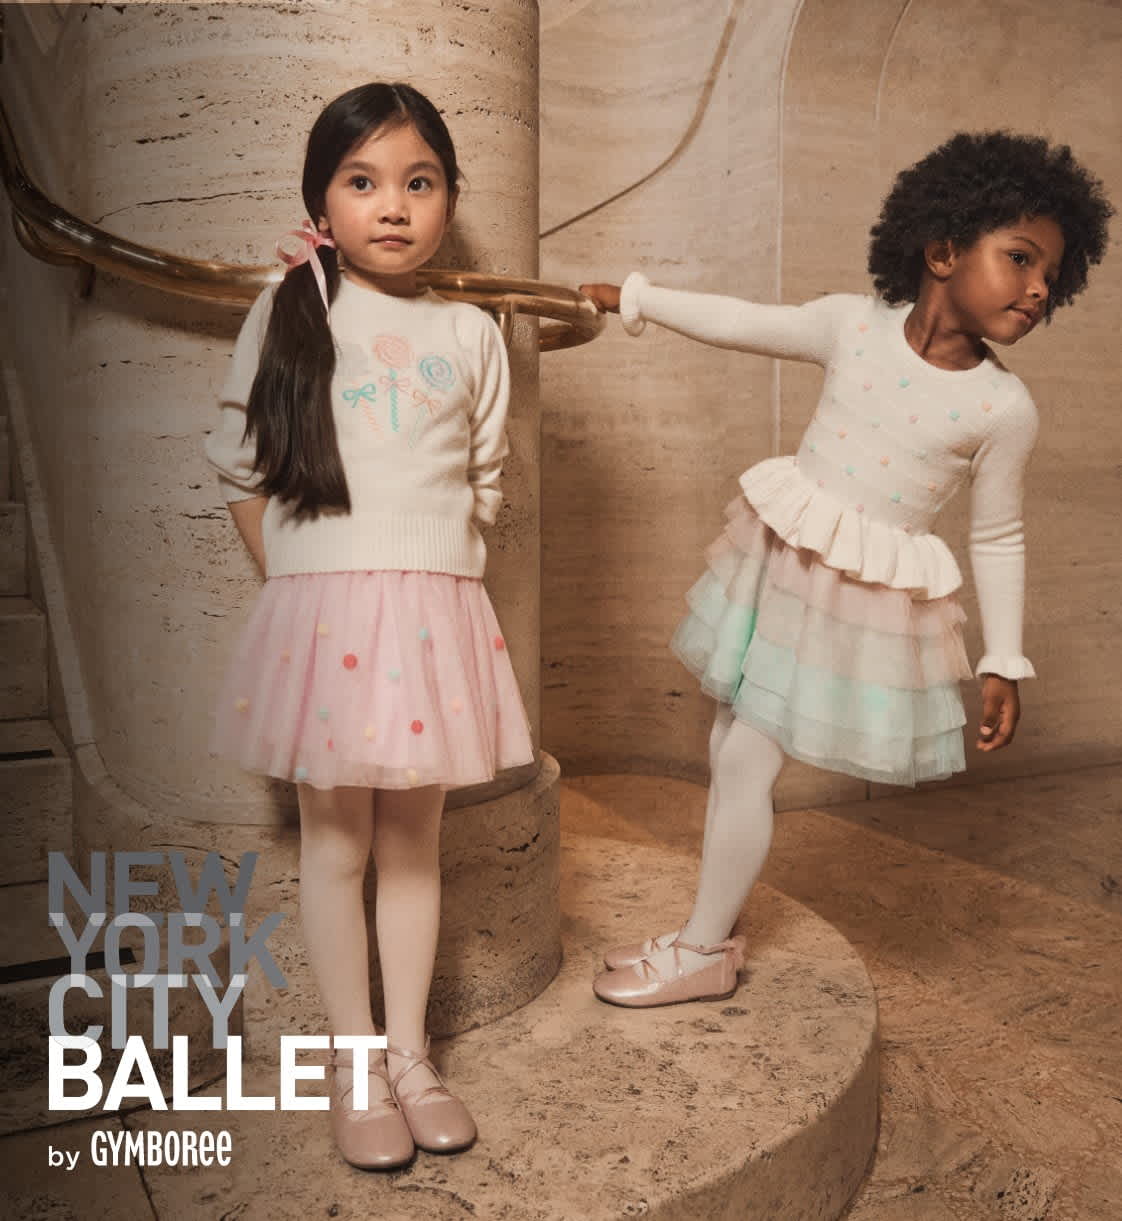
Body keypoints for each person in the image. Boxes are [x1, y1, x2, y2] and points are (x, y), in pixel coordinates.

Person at [580, 131, 1112, 1009]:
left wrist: (1004, 658)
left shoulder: (1002, 406)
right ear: (942, 248)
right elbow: (744, 321)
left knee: (747, 756)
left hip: (852, 604)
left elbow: (1000, 535)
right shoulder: (852, 324)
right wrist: (638, 297)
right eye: (1020, 258)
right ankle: (701, 934)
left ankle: (702, 949)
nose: (1038, 287)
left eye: (1052, 273)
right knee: (727, 747)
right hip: (782, 559)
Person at [204, 82, 533, 1167]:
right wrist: (309, 589)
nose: (392, 205)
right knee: (335, 844)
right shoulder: (288, 310)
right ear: (324, 199)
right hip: (328, 619)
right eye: (363, 181)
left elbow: (484, 477)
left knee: (414, 844)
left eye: (419, 182)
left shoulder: (469, 331)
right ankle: (354, 1064)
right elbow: (240, 468)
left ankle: (411, 1054)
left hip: (433, 617)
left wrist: (432, 573)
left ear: (447, 200)